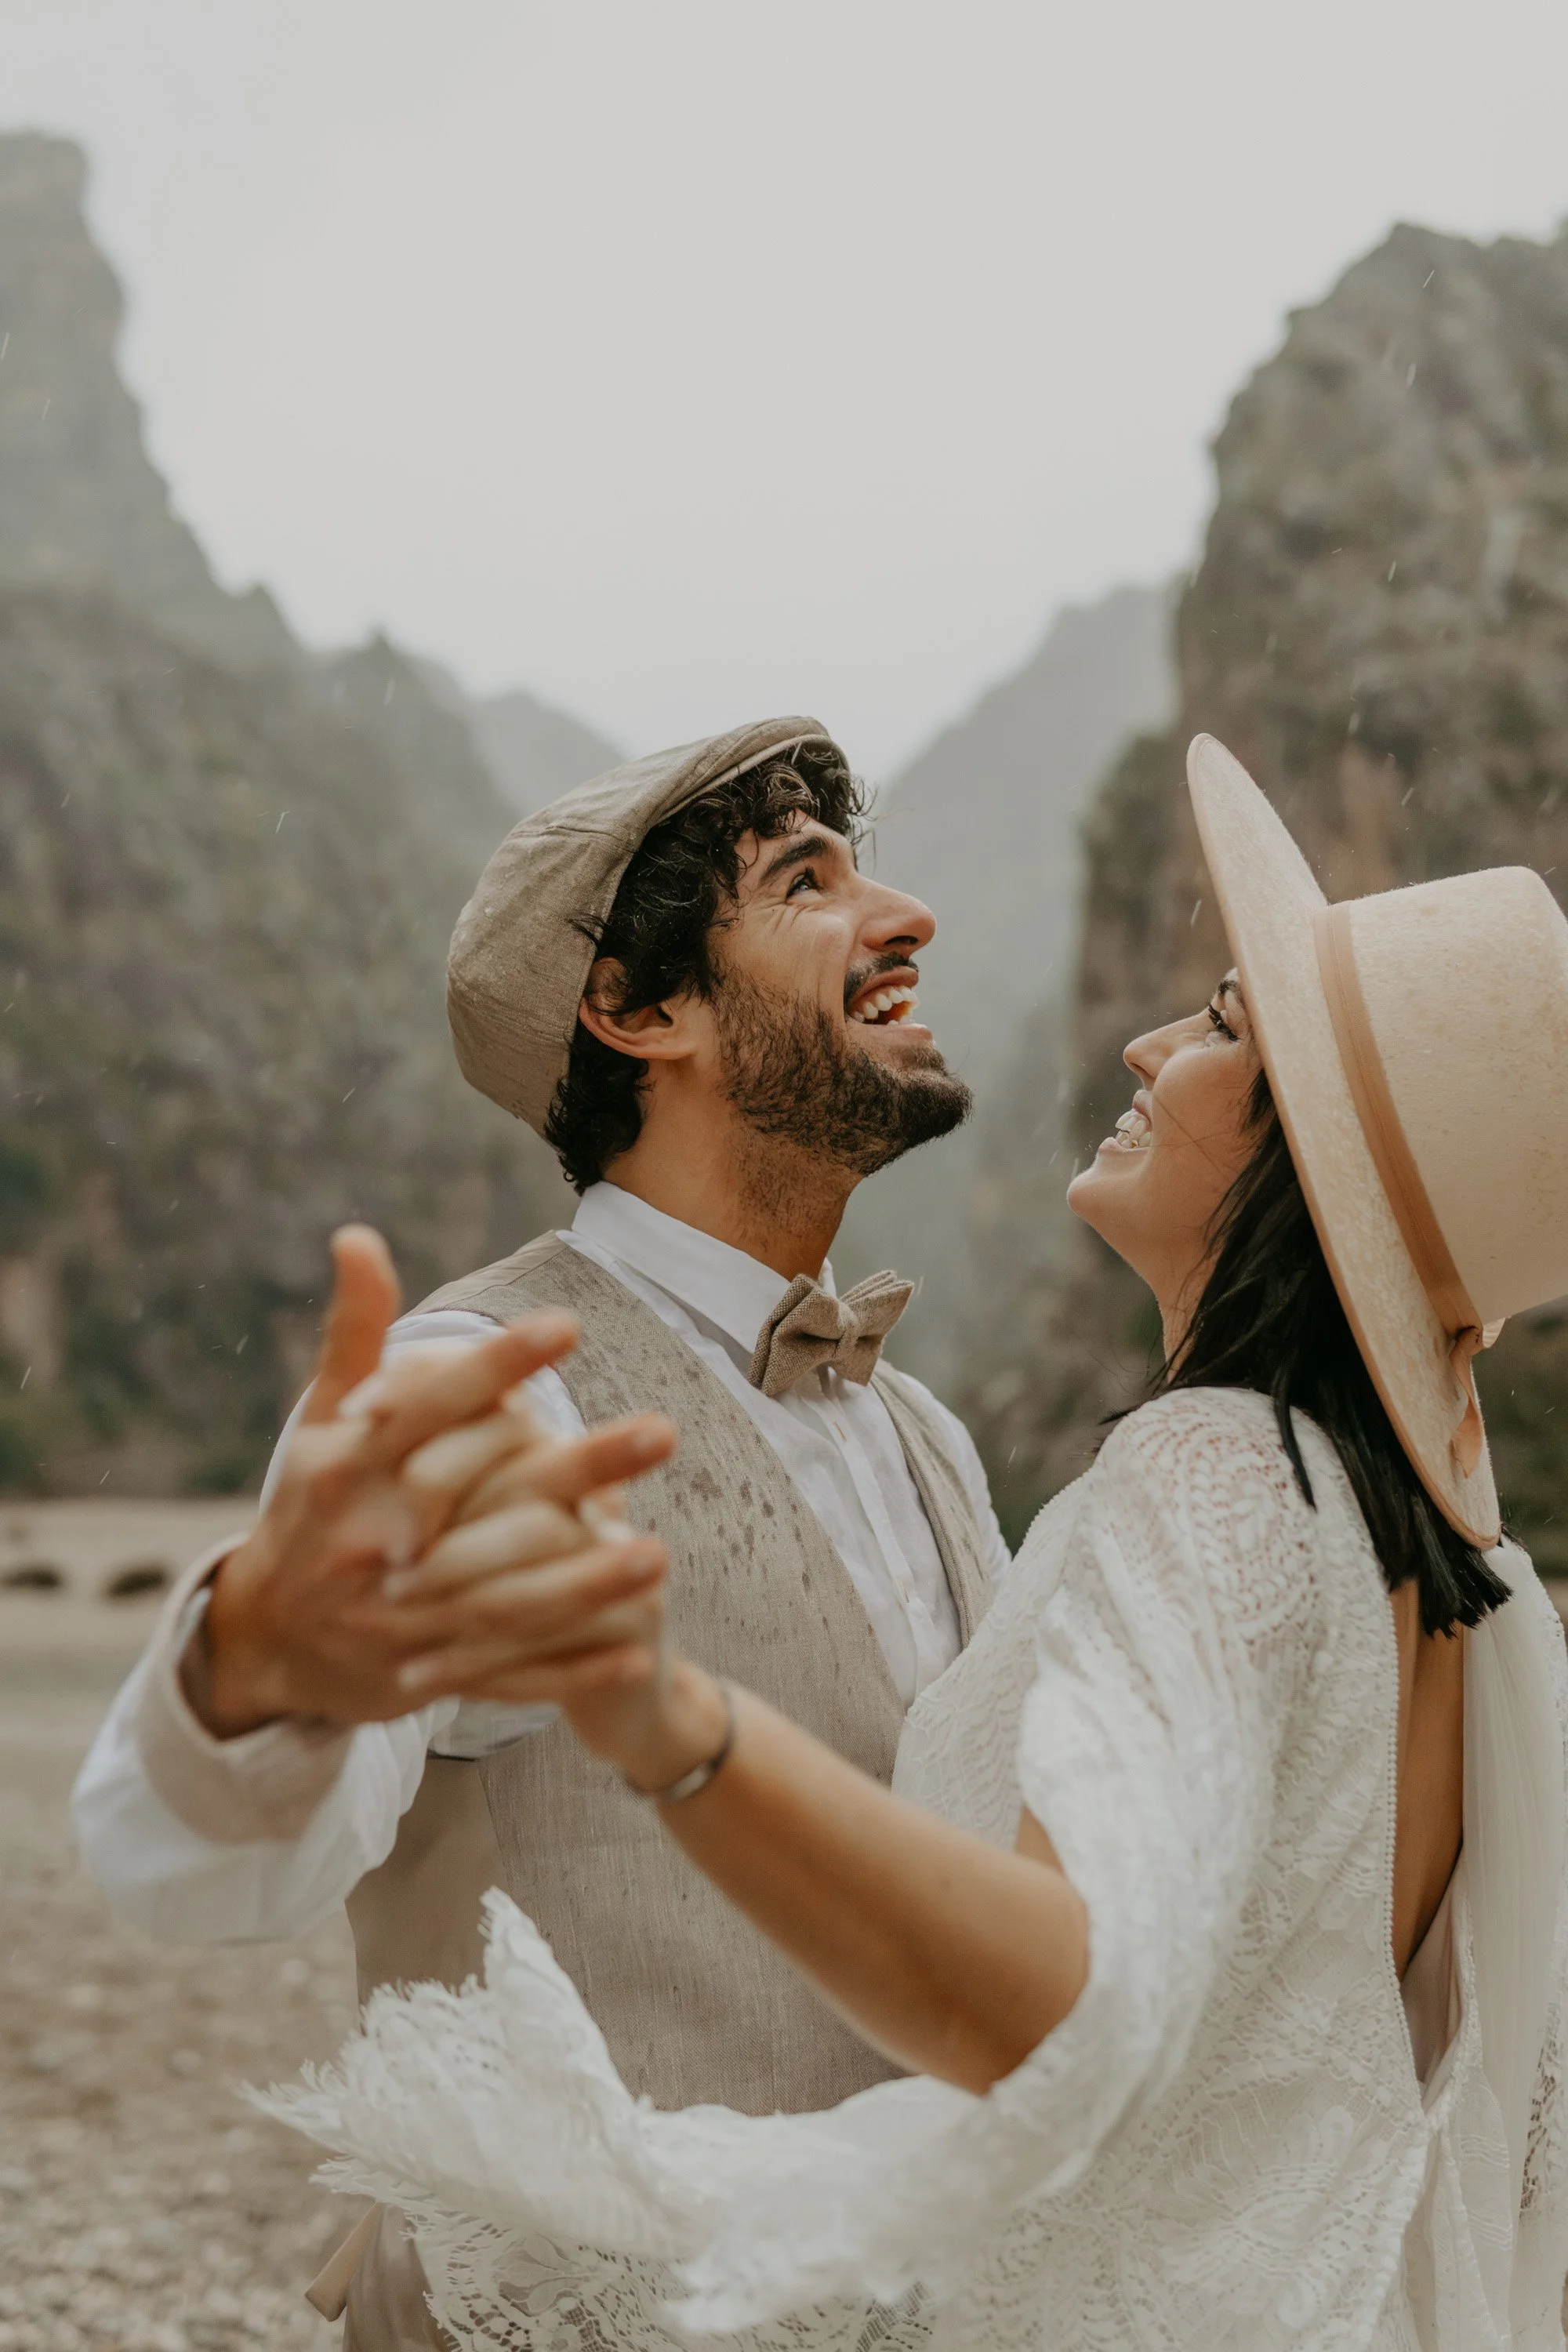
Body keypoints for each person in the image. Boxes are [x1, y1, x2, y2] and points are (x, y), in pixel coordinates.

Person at [264, 735, 1568, 2352]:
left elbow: (1068, 2004)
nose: (1153, 1044)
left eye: (1225, 1024)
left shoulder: (1159, 1474)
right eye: (805, 881)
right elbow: (292, 1797)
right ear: (635, 1006)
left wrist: (681, 1737)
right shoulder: (1467, 1578)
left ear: (1314, 1156)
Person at [72, 720, 1008, 2345]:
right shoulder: (478, 1389)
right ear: (638, 1010)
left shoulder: (924, 1438)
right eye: (808, 883)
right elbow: (192, 1875)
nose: (906, 917)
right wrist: (248, 1670)